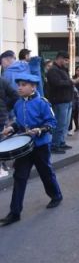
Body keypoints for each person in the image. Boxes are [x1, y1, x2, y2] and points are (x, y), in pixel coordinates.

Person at [0, 74, 63, 226]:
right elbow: (18, 123)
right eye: (18, 85)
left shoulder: (42, 103)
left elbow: (52, 123)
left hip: (40, 145)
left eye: (23, 85)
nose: (19, 88)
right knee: (20, 177)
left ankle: (56, 195)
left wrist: (40, 130)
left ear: (33, 87)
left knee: (45, 172)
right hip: (24, 146)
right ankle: (15, 212)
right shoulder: (18, 104)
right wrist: (11, 128)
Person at [46, 52, 77, 154]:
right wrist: (71, 82)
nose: (67, 62)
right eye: (66, 60)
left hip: (67, 100)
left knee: (65, 124)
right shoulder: (53, 70)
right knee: (59, 124)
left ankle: (61, 142)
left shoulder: (62, 70)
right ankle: (55, 145)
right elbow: (57, 83)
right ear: (60, 59)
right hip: (59, 102)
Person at [0, 76, 18, 177]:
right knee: (1, 140)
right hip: (2, 115)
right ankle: (2, 164)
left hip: (1, 115)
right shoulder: (3, 80)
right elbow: (15, 95)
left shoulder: (2, 80)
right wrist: (6, 107)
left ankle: (2, 165)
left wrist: (6, 107)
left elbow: (15, 96)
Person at [68, 66, 79, 136]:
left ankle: (77, 126)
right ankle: (70, 128)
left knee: (77, 113)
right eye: (78, 70)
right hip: (74, 99)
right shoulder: (73, 79)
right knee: (72, 113)